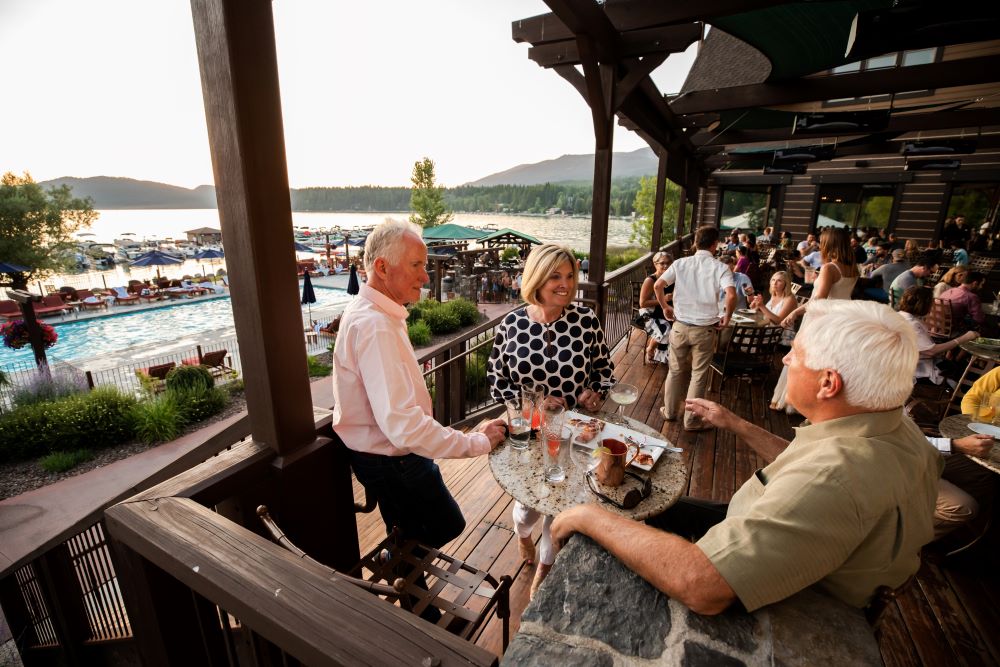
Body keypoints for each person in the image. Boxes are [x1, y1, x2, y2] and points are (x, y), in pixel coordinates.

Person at [550, 300, 941, 614]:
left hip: (793, 604)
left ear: (828, 384)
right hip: (775, 536)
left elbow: (703, 586)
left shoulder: (834, 479)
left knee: (606, 515)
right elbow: (806, 463)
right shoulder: (894, 428)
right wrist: (737, 424)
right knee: (650, 504)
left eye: (795, 354)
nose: (786, 360)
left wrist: (588, 517)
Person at [330, 220, 507, 617]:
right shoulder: (374, 326)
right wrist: (476, 442)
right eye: (416, 265)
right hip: (394, 461)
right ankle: (399, 571)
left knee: (406, 535)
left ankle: (419, 611)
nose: (426, 277)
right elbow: (404, 426)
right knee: (446, 525)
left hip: (377, 457)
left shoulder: (371, 312)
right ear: (382, 267)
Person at [487, 243, 614, 598]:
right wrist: (533, 405)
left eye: (570, 276)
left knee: (562, 502)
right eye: (556, 276)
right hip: (528, 435)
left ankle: (545, 564)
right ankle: (521, 534)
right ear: (537, 280)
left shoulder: (586, 320)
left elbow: (605, 372)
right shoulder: (512, 324)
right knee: (528, 506)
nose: (566, 284)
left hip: (574, 432)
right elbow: (496, 381)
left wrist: (595, 393)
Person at [654, 225, 736, 431]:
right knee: (698, 375)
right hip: (705, 330)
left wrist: (665, 307)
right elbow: (732, 295)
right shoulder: (721, 267)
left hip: (680, 327)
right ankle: (691, 421)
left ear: (695, 243)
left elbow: (658, 285)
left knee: (675, 371)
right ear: (715, 244)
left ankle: (670, 412)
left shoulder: (681, 263)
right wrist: (727, 316)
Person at [774, 228, 858, 411]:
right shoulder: (853, 267)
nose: (820, 245)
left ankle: (797, 401)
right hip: (841, 319)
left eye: (822, 242)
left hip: (822, 319)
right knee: (826, 362)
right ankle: (819, 403)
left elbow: (818, 300)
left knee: (805, 359)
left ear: (829, 244)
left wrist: (794, 312)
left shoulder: (830, 268)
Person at [897, 286, 978, 385]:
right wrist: (964, 338)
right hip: (916, 372)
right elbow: (931, 351)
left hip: (900, 366)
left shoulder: (898, 316)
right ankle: (962, 397)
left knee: (960, 367)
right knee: (970, 376)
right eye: (931, 302)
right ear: (925, 304)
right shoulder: (911, 323)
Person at [638, 251, 674, 364]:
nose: (666, 266)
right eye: (662, 263)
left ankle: (665, 354)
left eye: (668, 263)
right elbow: (642, 303)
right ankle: (651, 348)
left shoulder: (672, 278)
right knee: (666, 327)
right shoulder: (650, 280)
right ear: (655, 264)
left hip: (667, 311)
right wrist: (664, 299)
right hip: (650, 313)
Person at [749, 271, 797, 347]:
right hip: (768, 330)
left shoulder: (790, 298)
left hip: (781, 335)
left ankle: (752, 356)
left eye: (779, 281)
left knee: (746, 334)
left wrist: (762, 306)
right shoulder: (774, 295)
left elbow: (778, 321)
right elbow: (768, 315)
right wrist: (756, 308)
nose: (775, 283)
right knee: (742, 331)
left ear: (786, 283)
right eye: (773, 280)